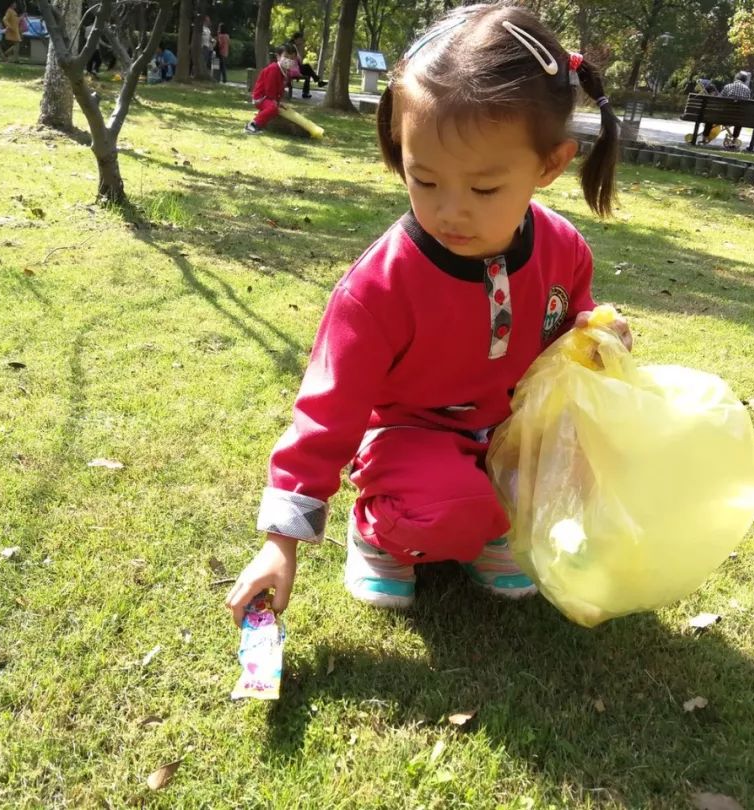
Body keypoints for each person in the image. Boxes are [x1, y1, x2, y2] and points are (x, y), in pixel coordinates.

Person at [225, 2, 629, 623]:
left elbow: (567, 331)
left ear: (549, 164)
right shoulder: (380, 288)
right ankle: (383, 529)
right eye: (424, 179)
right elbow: (324, 416)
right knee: (449, 510)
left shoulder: (563, 249)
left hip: (509, 434)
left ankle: (490, 522)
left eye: (485, 188)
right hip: (412, 435)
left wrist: (595, 335)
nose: (451, 212)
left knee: (592, 473)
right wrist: (282, 544)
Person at [244, 43, 298, 135]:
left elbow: (280, 89)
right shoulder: (273, 69)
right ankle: (251, 126)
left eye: (292, 58)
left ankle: (262, 122)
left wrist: (279, 102)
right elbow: (270, 89)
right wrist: (275, 102)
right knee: (273, 108)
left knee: (277, 108)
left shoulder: (285, 72)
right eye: (286, 57)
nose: (289, 60)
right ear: (278, 57)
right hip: (261, 98)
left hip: (270, 98)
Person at [289, 31, 327, 98]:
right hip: (293, 69)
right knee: (307, 66)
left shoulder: (290, 45)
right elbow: (299, 60)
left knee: (308, 71)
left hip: (291, 67)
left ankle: (310, 89)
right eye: (300, 40)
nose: (301, 42)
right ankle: (316, 83)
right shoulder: (293, 46)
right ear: (296, 39)